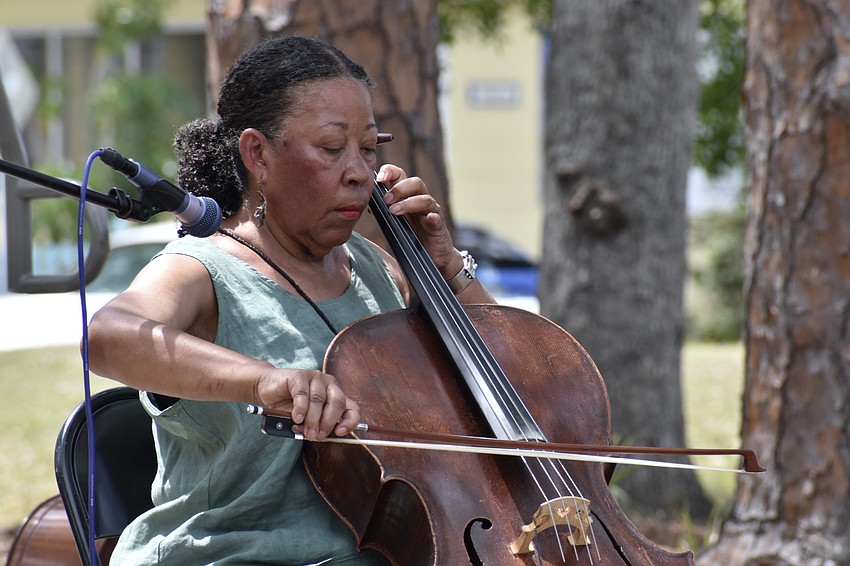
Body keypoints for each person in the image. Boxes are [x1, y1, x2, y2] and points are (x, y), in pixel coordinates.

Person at [86, 35, 494, 564]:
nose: (359, 171)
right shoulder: (200, 268)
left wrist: (446, 268)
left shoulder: (379, 267)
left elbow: (514, 377)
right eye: (331, 148)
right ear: (258, 153)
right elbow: (107, 337)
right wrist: (267, 380)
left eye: (369, 148)